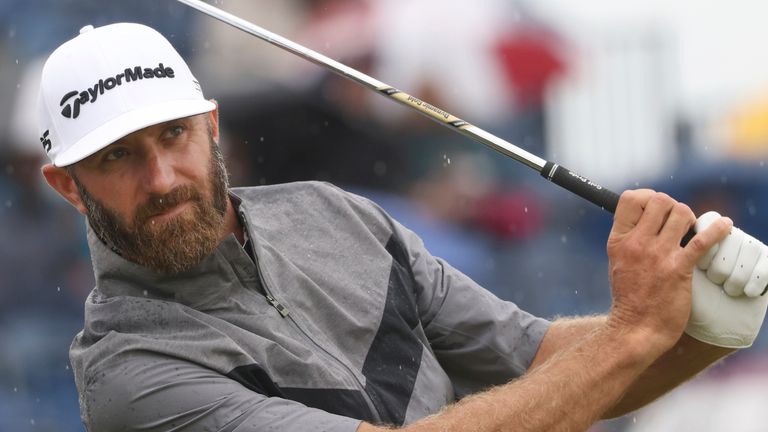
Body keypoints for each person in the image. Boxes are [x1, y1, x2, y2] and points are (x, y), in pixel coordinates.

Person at [36, 23, 768, 432]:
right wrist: (636, 331)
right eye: (117, 158)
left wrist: (698, 328)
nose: (161, 178)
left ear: (212, 127)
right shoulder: (130, 376)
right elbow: (590, 369)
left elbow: (540, 363)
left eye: (173, 138)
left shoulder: (333, 213)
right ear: (67, 184)